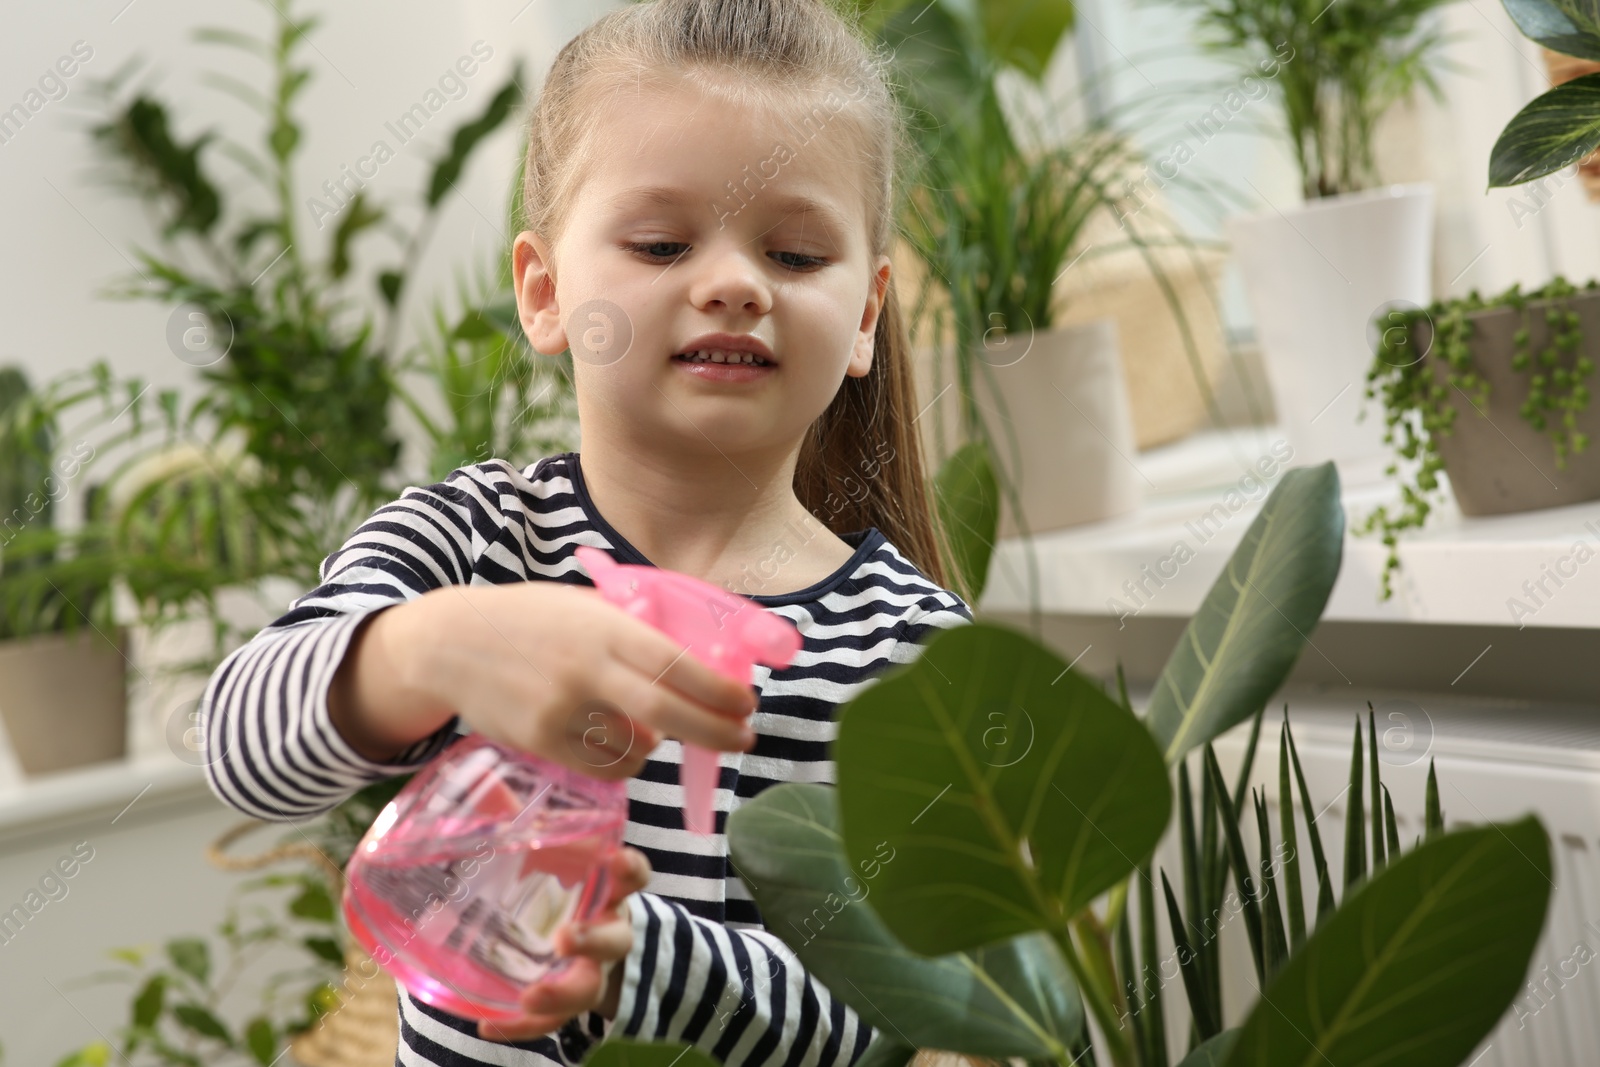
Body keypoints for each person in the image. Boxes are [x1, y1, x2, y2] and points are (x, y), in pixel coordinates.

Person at [199, 0, 975, 1063]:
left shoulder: (913, 649)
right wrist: (431, 647)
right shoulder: (472, 541)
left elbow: (900, 1018)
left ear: (866, 318)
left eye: (793, 255)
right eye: (661, 242)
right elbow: (239, 747)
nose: (734, 284)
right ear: (545, 291)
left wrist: (631, 960)